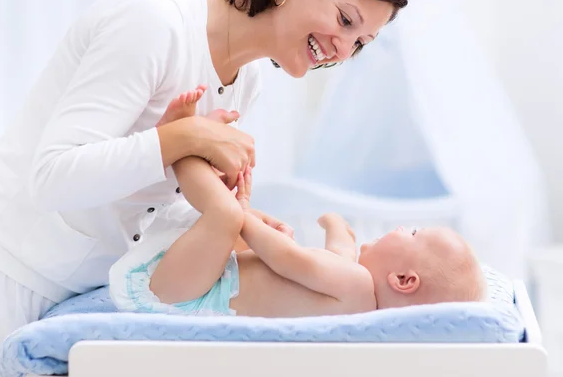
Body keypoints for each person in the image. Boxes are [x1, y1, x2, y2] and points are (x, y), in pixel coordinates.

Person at [0, 0, 407, 377]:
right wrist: (179, 138)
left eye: (360, 43)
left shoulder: (246, 81)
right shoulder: (153, 23)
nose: (343, 49)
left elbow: (146, 205)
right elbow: (52, 178)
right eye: (346, 21)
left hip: (72, 305)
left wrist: (234, 220)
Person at [110, 86, 487, 318]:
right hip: (197, 283)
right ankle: (191, 149)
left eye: (414, 233)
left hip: (186, 294)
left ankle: (182, 142)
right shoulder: (355, 293)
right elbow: (339, 252)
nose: (404, 227)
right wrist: (335, 226)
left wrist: (243, 213)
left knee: (226, 215)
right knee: (240, 220)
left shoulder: (356, 286)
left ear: (403, 280)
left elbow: (291, 259)